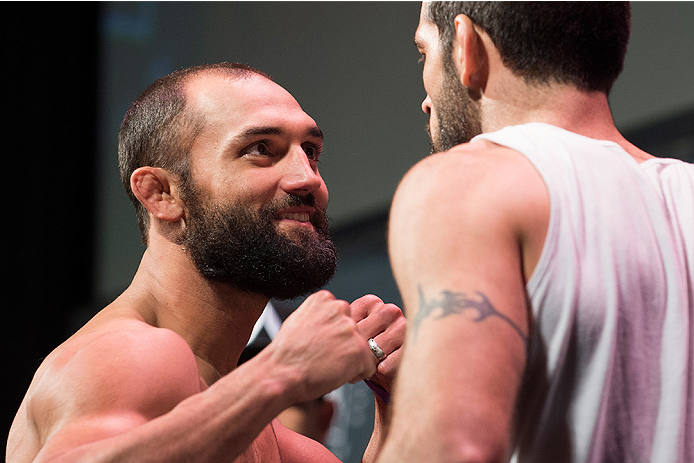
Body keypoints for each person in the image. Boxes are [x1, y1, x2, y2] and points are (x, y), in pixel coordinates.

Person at [7, 62, 406, 463]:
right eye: (261, 149)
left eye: (311, 151)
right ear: (161, 193)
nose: (308, 179)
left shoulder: (267, 435)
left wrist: (397, 404)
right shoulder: (131, 354)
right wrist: (281, 373)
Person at [379, 2, 694, 462]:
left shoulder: (467, 182)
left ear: (467, 47)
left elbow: (454, 447)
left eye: (423, 51)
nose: (425, 98)